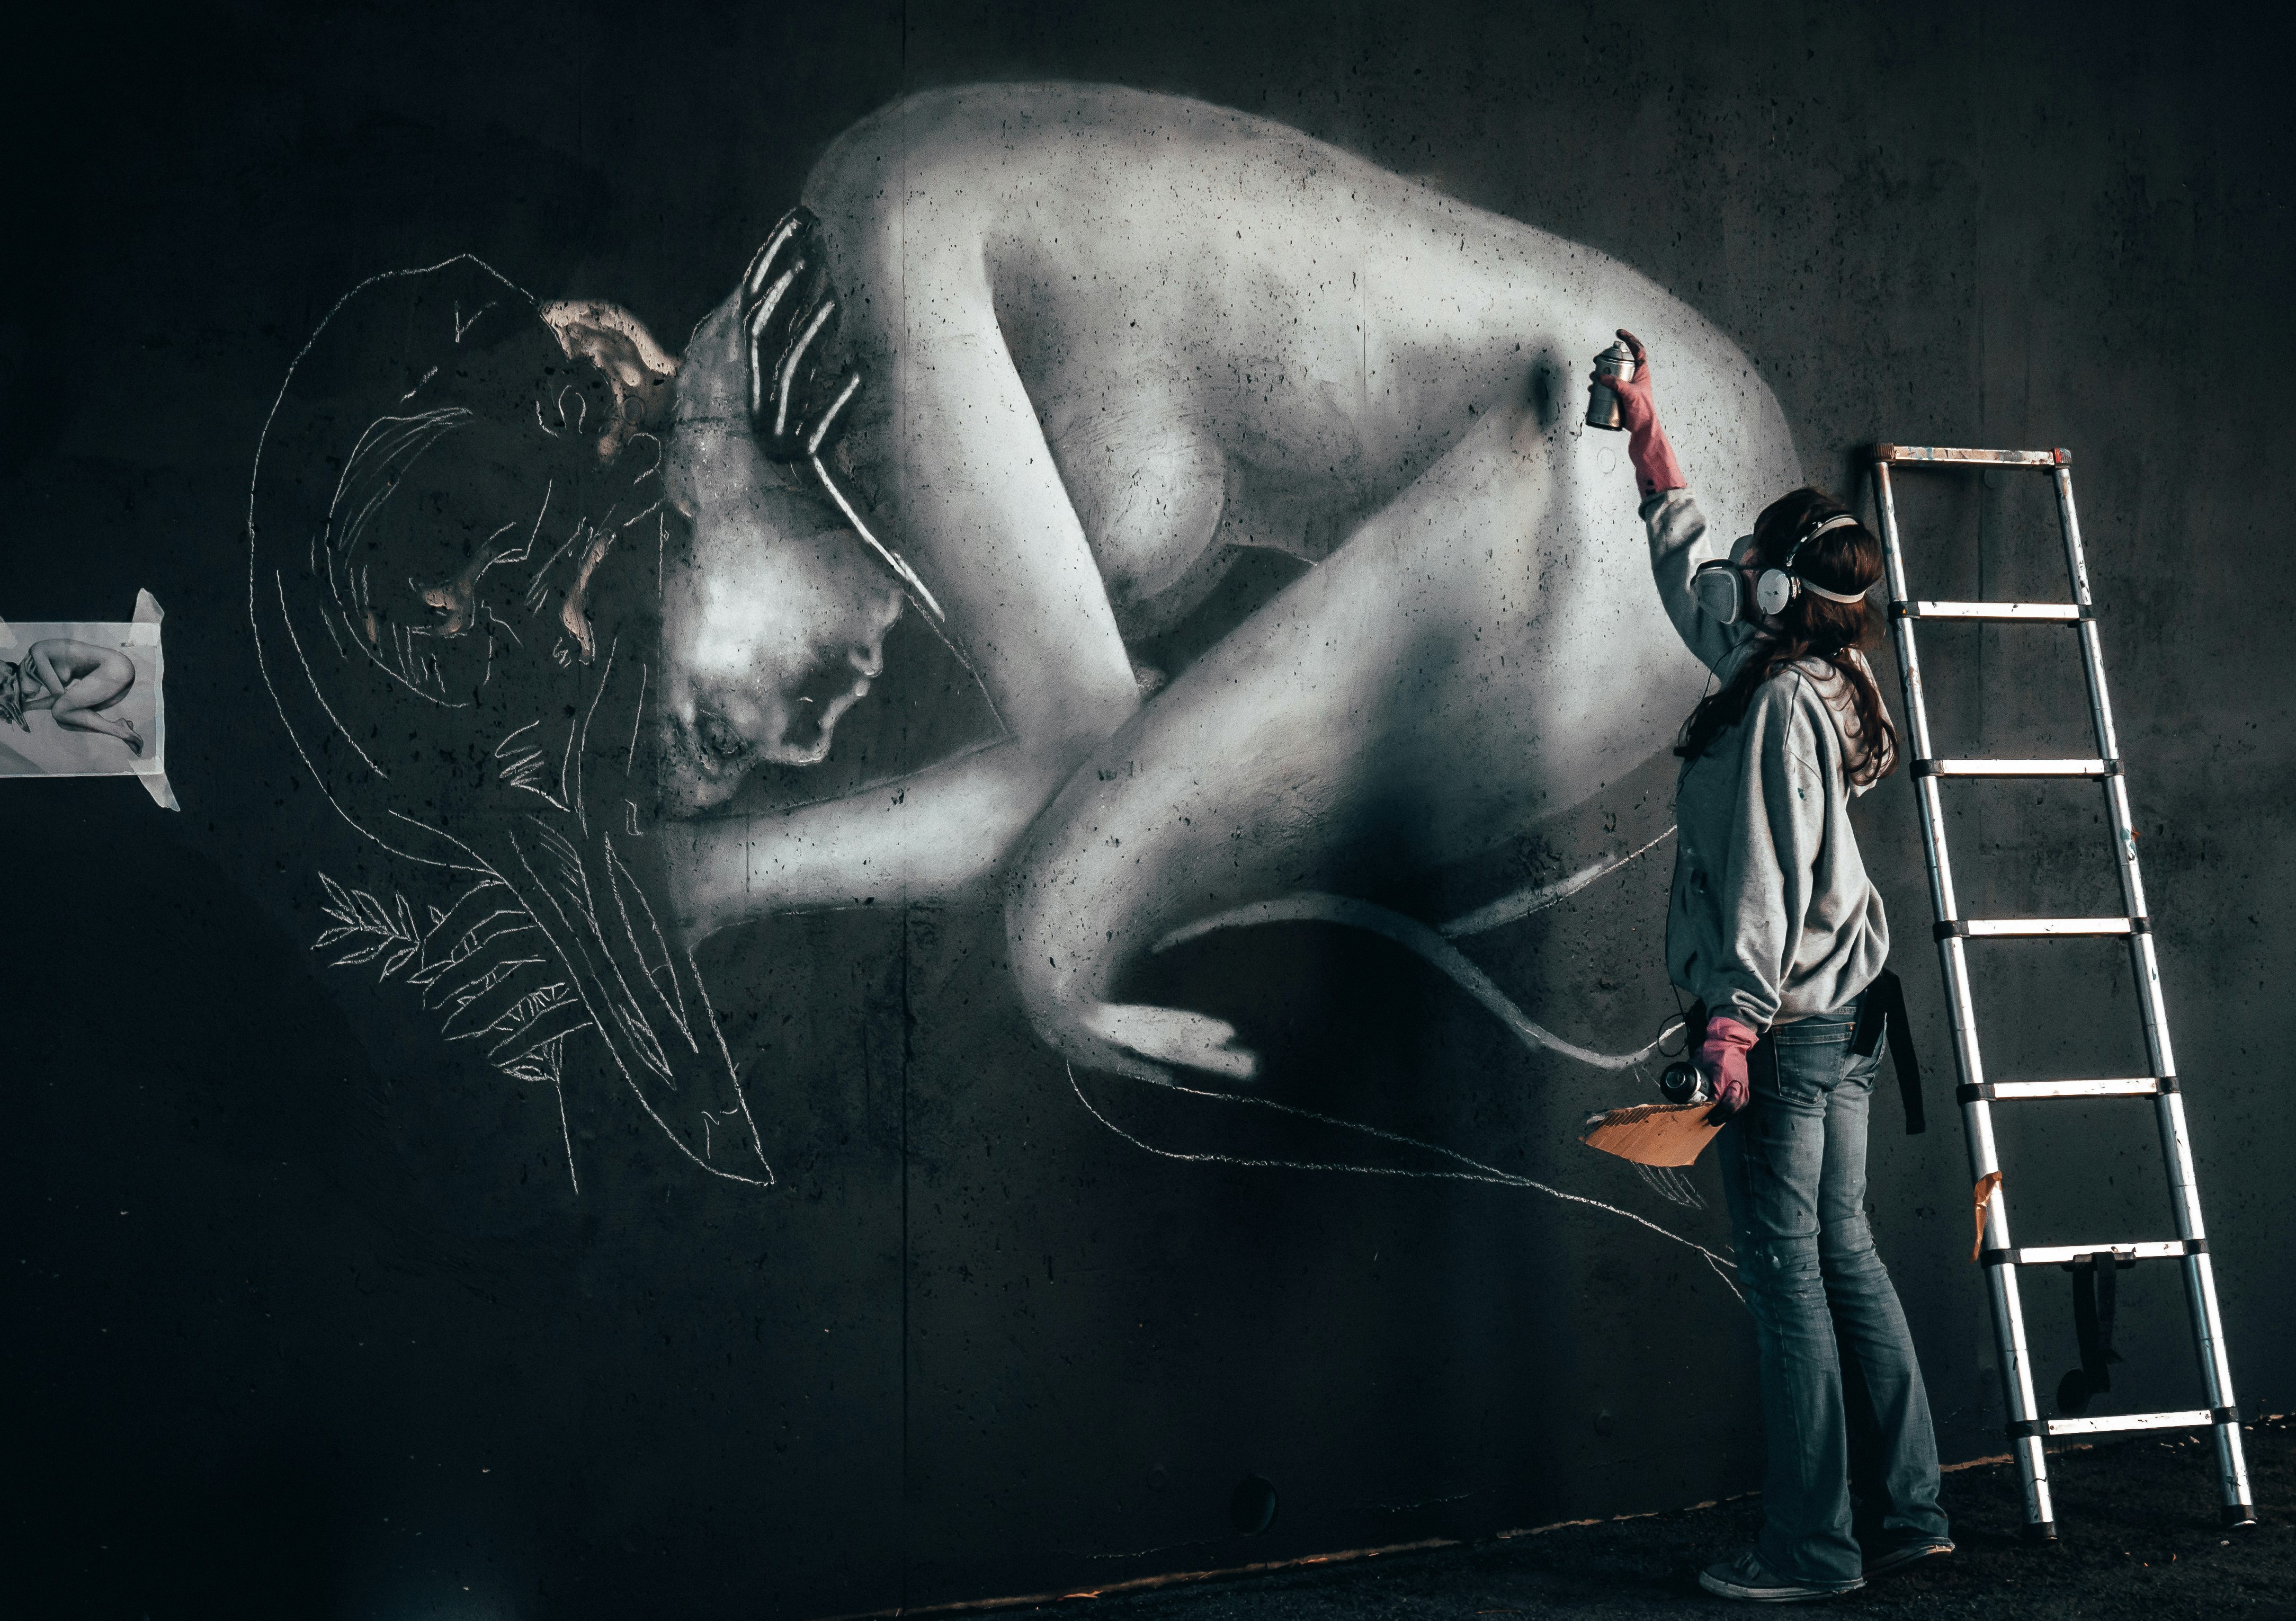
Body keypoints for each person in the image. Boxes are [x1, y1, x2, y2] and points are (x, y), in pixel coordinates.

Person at [253, 84, 1799, 1164]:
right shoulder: (852, 390)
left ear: (641, 508)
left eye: (706, 714)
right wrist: (708, 879)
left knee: (1071, 906)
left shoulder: (875, 252)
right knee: (1100, 913)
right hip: (1610, 495)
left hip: (1620, 452)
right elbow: (1101, 759)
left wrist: (713, 878)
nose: (806, 732)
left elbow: (1088, 764)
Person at [1601, 332, 1952, 1600]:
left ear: (1776, 590)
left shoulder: (1770, 712)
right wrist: (1642, 432)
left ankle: (1811, 1550)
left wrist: (1728, 1030)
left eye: (1754, 551)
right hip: (1845, 1011)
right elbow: (1683, 568)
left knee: (1789, 1279)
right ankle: (1910, 1513)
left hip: (1788, 1024)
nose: (1734, 560)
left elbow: (1762, 882)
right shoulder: (1814, 668)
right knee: (1842, 1251)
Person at [0, 639, 144, 754]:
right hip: (116, 681)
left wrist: (27, 707)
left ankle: (120, 730)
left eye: (25, 694)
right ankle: (118, 727)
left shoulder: (37, 653)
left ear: (14, 676)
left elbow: (59, 697)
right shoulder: (34, 668)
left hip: (117, 670)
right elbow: (64, 699)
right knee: (64, 721)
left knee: (60, 711)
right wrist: (25, 706)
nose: (32, 695)